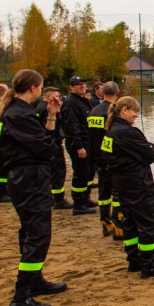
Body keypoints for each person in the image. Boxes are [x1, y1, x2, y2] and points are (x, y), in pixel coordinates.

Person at [0, 69, 67, 306]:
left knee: (31, 231)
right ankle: (21, 298)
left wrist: (51, 117)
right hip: (28, 179)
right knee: (39, 234)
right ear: (33, 88)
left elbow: (43, 141)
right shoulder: (18, 115)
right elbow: (46, 147)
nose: (42, 92)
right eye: (41, 87)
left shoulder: (20, 113)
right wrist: (51, 143)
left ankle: (35, 280)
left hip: (27, 177)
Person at [102, 96, 154, 279]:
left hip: (121, 183)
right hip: (138, 183)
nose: (135, 116)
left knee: (129, 222)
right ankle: (148, 266)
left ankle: (133, 261)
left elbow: (107, 158)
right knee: (147, 223)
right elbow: (150, 155)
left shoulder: (110, 131)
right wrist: (146, 149)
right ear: (124, 110)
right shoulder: (127, 132)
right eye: (134, 112)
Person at [87, 81, 120, 237]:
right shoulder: (113, 111)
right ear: (117, 93)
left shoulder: (93, 111)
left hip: (97, 156)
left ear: (102, 93)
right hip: (112, 158)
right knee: (117, 192)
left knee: (103, 192)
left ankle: (105, 223)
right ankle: (118, 225)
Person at [61, 76, 96, 215]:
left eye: (83, 84)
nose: (82, 86)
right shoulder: (70, 103)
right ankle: (79, 204)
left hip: (88, 141)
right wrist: (79, 146)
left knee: (89, 171)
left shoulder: (84, 101)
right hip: (78, 143)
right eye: (78, 84)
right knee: (81, 173)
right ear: (71, 87)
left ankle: (86, 198)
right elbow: (71, 127)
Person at [35, 87, 73, 210]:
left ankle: (52, 197)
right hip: (52, 142)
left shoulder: (39, 106)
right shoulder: (46, 108)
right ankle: (59, 199)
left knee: (52, 172)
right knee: (58, 171)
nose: (59, 98)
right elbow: (49, 127)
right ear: (49, 96)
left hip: (47, 142)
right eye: (56, 96)